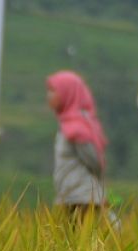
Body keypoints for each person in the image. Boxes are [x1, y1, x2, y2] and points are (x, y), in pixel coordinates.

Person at [46, 71, 108, 220]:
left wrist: (100, 190)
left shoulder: (76, 128)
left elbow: (95, 161)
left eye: (53, 91)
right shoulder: (68, 125)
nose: (49, 95)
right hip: (69, 198)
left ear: (67, 93)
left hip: (82, 200)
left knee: (77, 240)